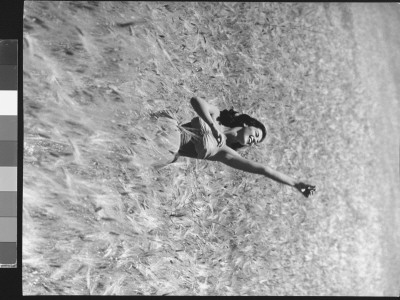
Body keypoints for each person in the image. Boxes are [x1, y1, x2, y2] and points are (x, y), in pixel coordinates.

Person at [150, 97, 316, 198]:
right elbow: (195, 101)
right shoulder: (217, 116)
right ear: (246, 124)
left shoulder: (224, 152)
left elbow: (264, 170)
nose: (254, 141)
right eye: (256, 135)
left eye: (255, 143)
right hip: (162, 128)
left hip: (163, 152)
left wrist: (295, 183)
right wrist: (213, 126)